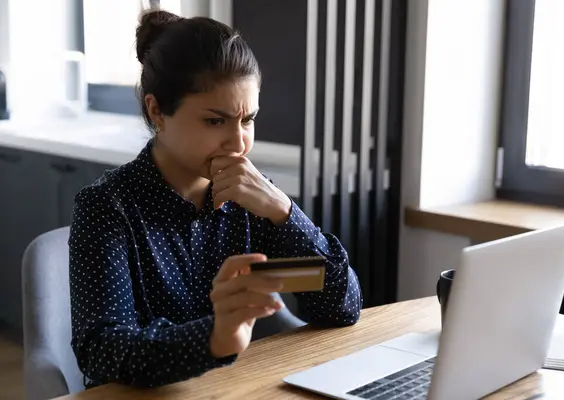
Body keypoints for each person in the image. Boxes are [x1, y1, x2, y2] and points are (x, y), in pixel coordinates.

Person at [68, 9, 363, 389]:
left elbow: (342, 308)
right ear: (156, 110)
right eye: (215, 121)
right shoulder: (106, 208)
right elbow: (102, 351)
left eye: (248, 120)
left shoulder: (254, 200)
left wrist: (284, 212)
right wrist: (215, 337)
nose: (239, 143)